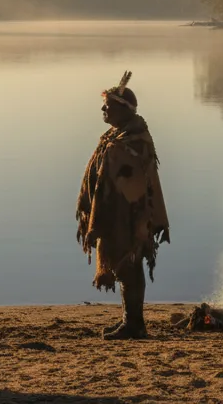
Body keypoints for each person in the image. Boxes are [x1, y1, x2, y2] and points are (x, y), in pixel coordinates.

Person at [76, 71, 170, 340]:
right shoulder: (116, 136)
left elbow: (136, 182)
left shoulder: (135, 139)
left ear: (122, 109)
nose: (103, 109)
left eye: (108, 105)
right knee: (123, 267)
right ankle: (131, 322)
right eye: (104, 105)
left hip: (132, 215)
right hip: (118, 214)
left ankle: (135, 325)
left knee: (129, 266)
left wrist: (127, 215)